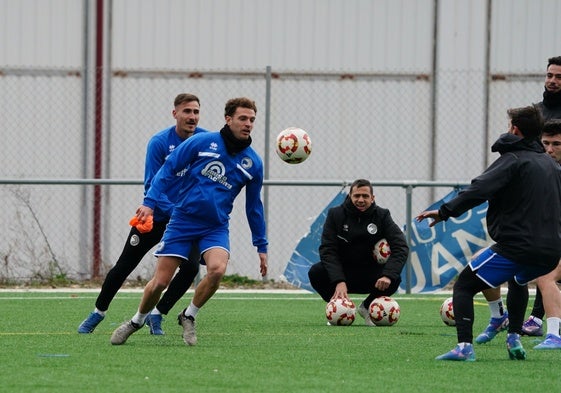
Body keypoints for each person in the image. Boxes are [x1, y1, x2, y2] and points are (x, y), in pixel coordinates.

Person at [110, 97, 268, 346]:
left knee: (217, 270)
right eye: (243, 118)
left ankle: (188, 315)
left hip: (215, 226)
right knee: (160, 282)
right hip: (182, 221)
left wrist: (261, 245)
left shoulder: (253, 163)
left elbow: (254, 207)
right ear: (228, 119)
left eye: (252, 120)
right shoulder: (203, 142)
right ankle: (137, 320)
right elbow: (168, 168)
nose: (248, 124)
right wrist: (150, 202)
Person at [416, 105, 561, 361]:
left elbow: (478, 190)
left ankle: (464, 348)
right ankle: (514, 338)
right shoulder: (550, 165)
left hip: (518, 245)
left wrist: (444, 212)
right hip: (550, 250)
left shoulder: (513, 160)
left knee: (463, 285)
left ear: (514, 129)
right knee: (517, 280)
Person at [78, 93, 206, 335]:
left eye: (196, 112)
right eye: (187, 111)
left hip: (183, 222)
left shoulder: (205, 141)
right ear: (175, 113)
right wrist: (171, 211)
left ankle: (158, 314)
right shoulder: (159, 142)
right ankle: (98, 312)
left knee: (190, 269)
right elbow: (152, 184)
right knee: (124, 266)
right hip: (156, 217)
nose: (192, 117)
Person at [475, 57, 561, 343]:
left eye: (558, 77)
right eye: (550, 75)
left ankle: (545, 325)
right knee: (519, 270)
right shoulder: (535, 113)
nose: (552, 80)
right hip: (534, 210)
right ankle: (507, 319)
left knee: (546, 275)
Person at [307, 179, 409, 326]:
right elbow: (328, 250)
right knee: (316, 272)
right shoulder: (335, 215)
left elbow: (401, 247)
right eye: (357, 196)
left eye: (365, 196)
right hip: (343, 273)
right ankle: (339, 308)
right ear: (350, 196)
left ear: (372, 198)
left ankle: (367, 307)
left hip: (370, 274)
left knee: (395, 277)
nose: (361, 200)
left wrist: (387, 275)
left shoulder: (382, 216)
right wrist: (338, 280)